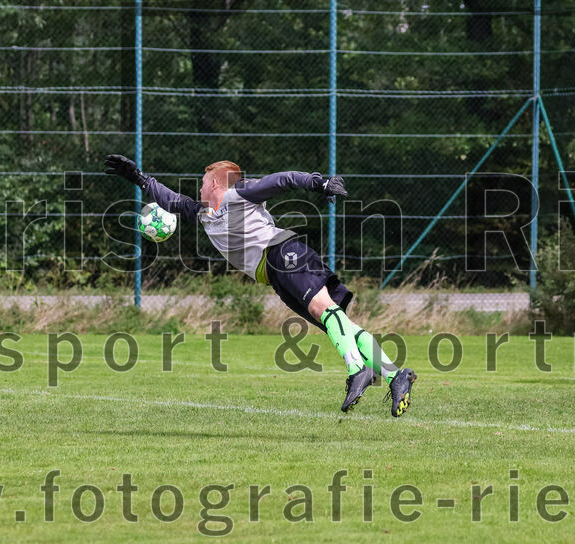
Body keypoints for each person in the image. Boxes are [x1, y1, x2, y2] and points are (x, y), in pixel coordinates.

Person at [104, 154, 417, 416]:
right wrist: (140, 178)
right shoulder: (203, 214)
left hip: (283, 252)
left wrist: (316, 182)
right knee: (338, 322)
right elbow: (171, 200)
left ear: (215, 183)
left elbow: (281, 180)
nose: (199, 187)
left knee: (324, 310)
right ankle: (395, 375)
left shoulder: (238, 193)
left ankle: (357, 369)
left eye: (202, 181)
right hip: (274, 275)